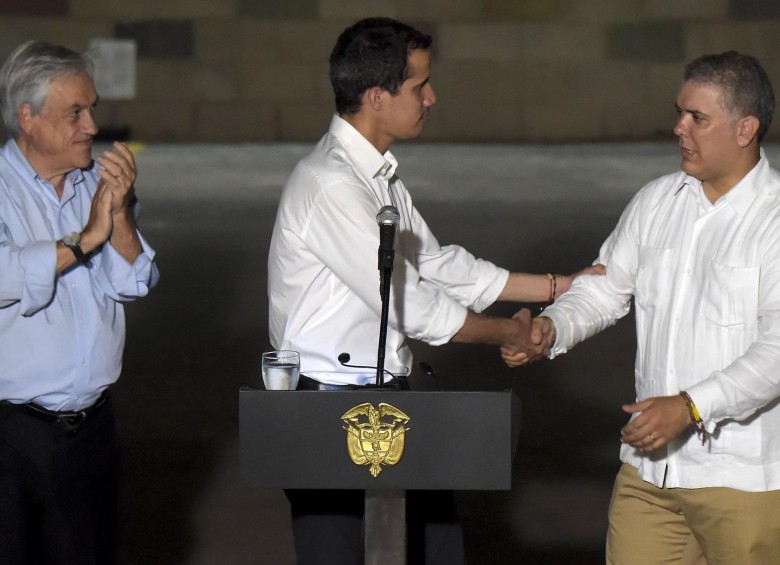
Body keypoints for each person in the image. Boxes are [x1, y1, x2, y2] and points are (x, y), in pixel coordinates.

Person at [267, 17, 602, 565]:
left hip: (384, 397)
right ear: (377, 97)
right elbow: (412, 304)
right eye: (419, 85)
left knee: (437, 544)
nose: (431, 97)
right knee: (334, 552)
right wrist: (508, 332)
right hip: (325, 405)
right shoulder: (332, 184)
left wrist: (558, 286)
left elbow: (437, 263)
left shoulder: (375, 175)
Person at [505, 51, 780, 564]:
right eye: (680, 112)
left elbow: (777, 352)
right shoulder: (657, 201)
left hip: (742, 484)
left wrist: (691, 406)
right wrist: (551, 327)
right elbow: (605, 289)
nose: (678, 128)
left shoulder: (774, 220)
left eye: (698, 118)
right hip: (649, 476)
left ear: (746, 129)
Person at [0, 40, 159, 564]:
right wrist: (85, 238)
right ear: (28, 117)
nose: (91, 126)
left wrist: (120, 216)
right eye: (75, 113)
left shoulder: (96, 181)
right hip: (12, 437)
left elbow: (134, 281)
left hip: (92, 430)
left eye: (92, 109)